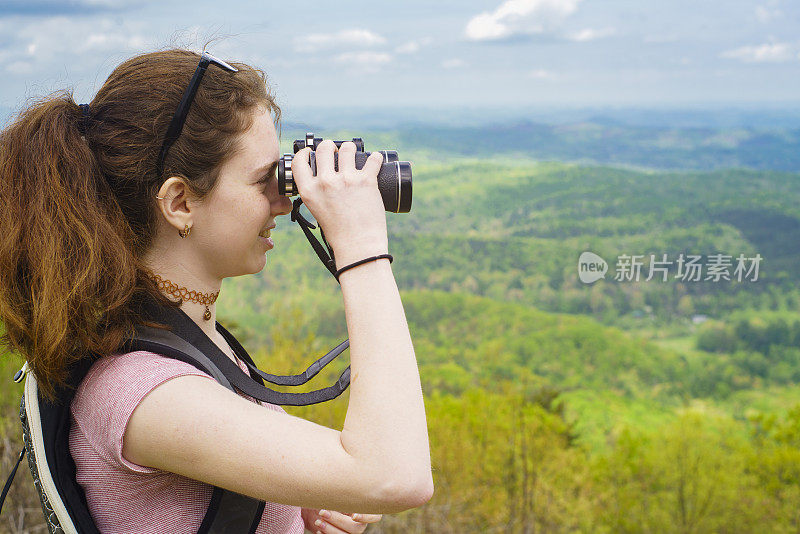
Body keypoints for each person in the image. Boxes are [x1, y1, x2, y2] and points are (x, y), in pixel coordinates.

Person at [0, 48, 433, 533]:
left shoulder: (186, 340)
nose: (284, 201)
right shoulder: (142, 389)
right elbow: (396, 477)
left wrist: (288, 516)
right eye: (262, 179)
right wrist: (363, 247)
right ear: (180, 202)